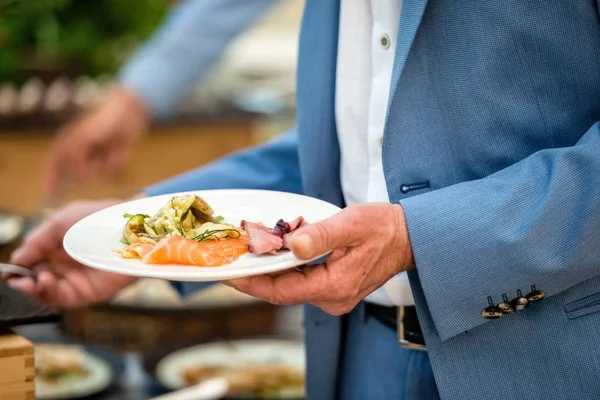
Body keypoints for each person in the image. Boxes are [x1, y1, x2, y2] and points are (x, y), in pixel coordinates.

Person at [10, 1, 600, 399]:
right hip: (350, 360)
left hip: (544, 361)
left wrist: (416, 238)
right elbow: (352, 149)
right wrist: (142, 232)